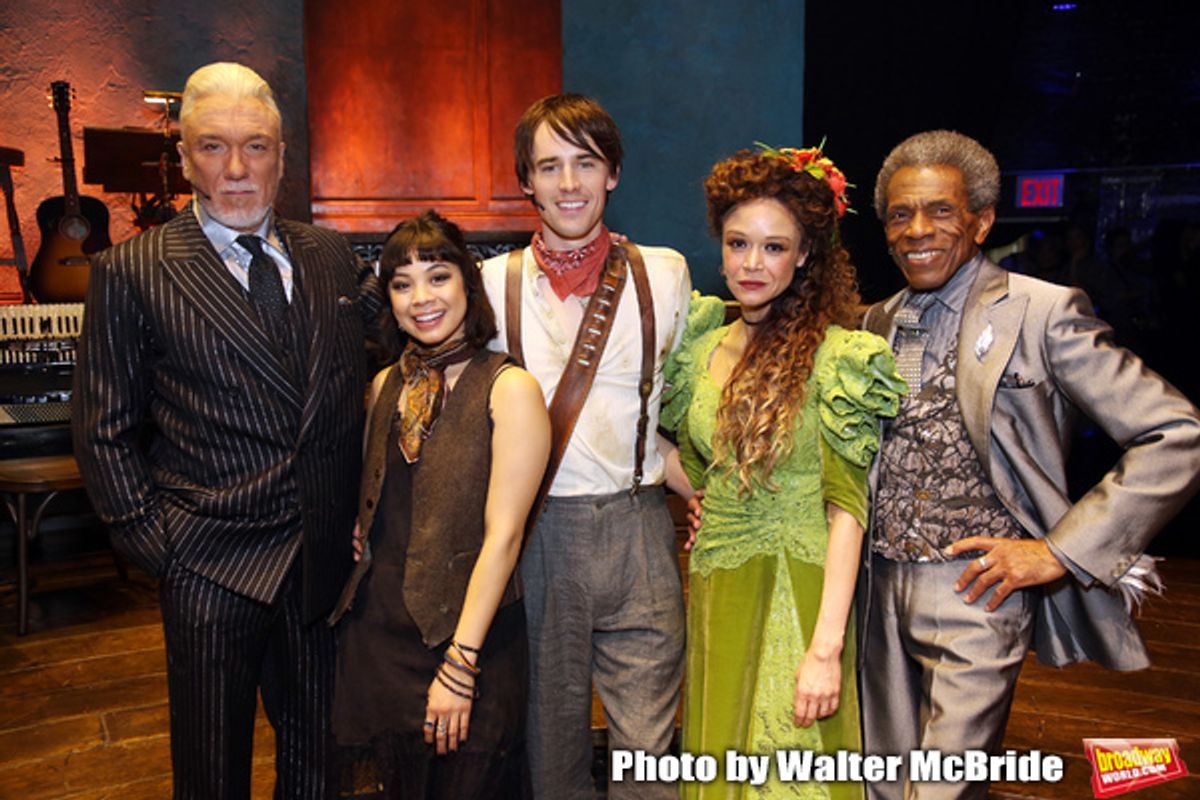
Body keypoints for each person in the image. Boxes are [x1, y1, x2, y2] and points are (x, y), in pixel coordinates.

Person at [859, 129, 1200, 800]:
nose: (917, 230)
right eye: (900, 214)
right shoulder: (871, 323)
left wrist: (1057, 551)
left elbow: (1177, 432)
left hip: (977, 592)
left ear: (982, 220)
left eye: (941, 211)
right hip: (874, 597)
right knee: (882, 786)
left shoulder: (1043, 312)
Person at [71, 62, 381, 799]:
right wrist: (157, 545)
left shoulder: (330, 256)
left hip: (321, 565)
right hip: (210, 566)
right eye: (213, 147)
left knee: (320, 764)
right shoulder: (131, 271)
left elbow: (386, 365)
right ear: (183, 159)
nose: (237, 169)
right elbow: (102, 426)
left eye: (257, 147)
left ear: (283, 154)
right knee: (212, 771)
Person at [661, 146, 905, 799]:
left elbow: (847, 512)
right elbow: (690, 464)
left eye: (773, 247)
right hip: (716, 587)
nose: (750, 263)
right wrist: (700, 495)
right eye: (739, 243)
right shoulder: (702, 343)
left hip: (799, 598)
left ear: (804, 256)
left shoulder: (839, 358)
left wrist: (825, 651)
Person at [479, 93, 691, 800]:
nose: (569, 183)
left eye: (586, 163)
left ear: (614, 175)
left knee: (651, 745)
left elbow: (671, 408)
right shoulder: (491, 284)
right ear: (526, 181)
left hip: (639, 529)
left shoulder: (667, 274)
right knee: (550, 745)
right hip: (541, 535)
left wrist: (696, 483)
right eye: (549, 166)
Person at [329, 211, 550, 797]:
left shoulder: (509, 389)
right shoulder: (383, 386)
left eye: (438, 276)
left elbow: (503, 538)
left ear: (468, 285)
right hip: (380, 638)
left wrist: (461, 664)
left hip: (470, 637)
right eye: (402, 283)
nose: (420, 298)